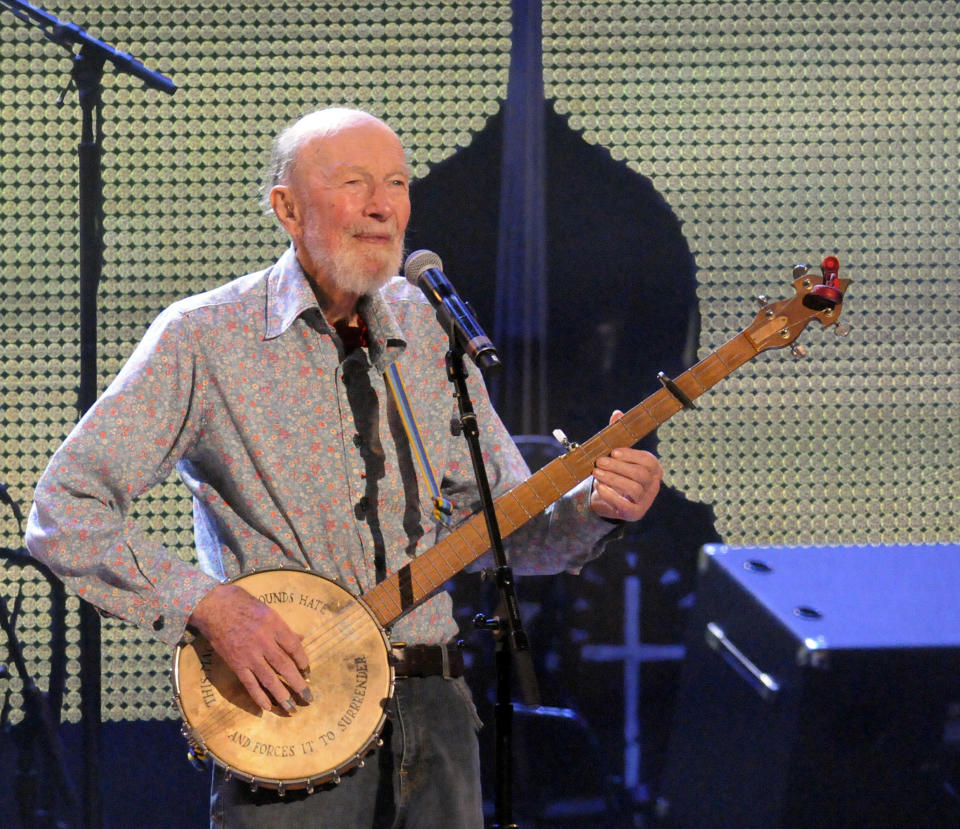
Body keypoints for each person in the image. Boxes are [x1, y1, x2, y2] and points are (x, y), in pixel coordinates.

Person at [26, 106, 662, 828]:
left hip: (438, 716)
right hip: (294, 710)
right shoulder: (206, 336)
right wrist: (211, 607)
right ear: (287, 208)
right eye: (353, 182)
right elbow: (65, 509)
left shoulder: (429, 329)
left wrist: (592, 509)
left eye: (396, 182)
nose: (382, 204)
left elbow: (503, 529)